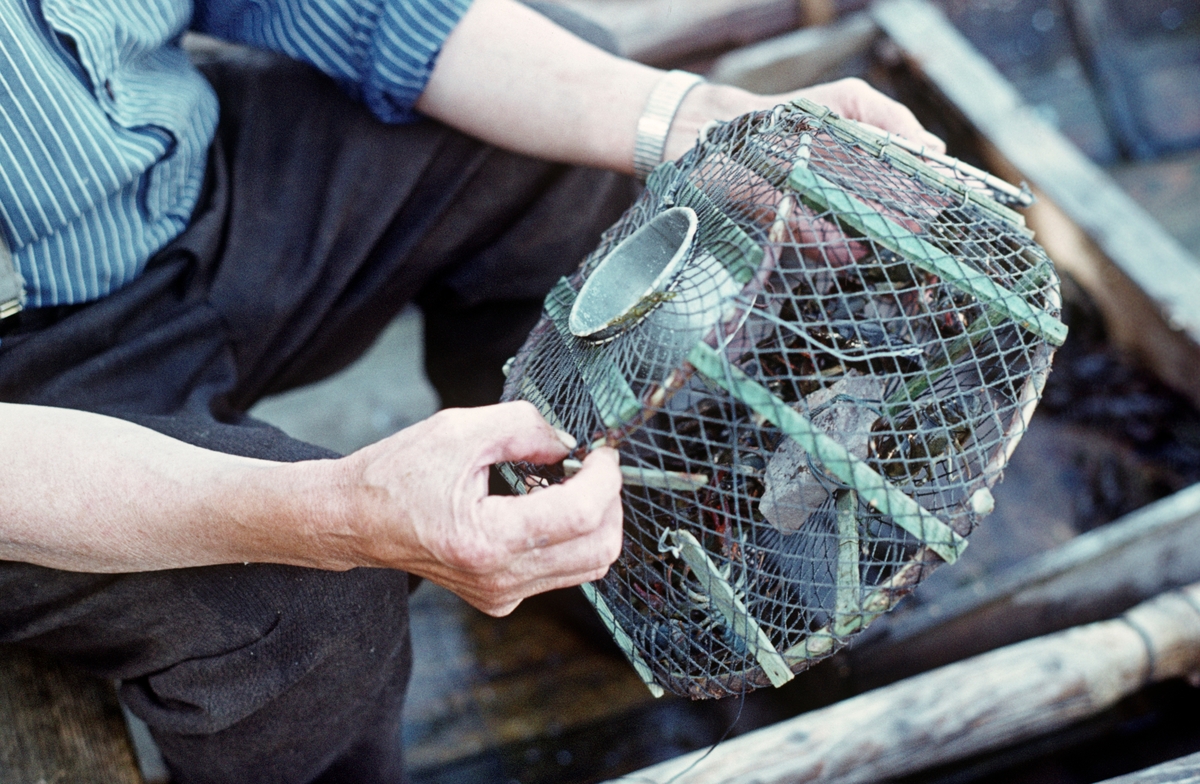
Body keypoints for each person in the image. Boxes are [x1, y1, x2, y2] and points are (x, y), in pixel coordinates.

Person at [0, 0, 943, 781]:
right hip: (27, 405)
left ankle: (596, 574)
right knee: (308, 604)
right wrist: (328, 514)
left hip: (183, 182)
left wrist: (701, 122)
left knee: (580, 137)